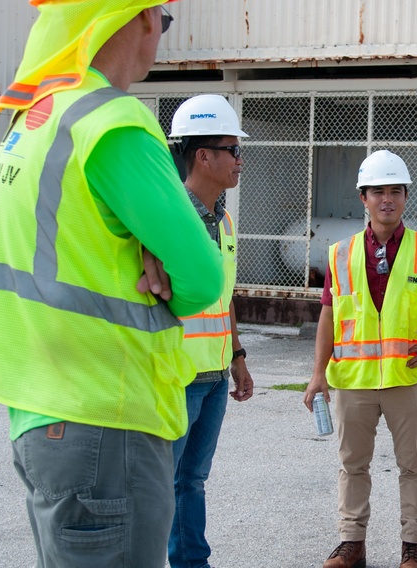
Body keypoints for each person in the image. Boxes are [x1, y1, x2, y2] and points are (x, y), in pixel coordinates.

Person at [0, 0, 224, 568]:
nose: (161, 32)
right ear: (137, 19)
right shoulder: (115, 124)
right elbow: (203, 276)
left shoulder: (37, 120)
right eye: (162, 17)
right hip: (108, 417)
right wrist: (163, 268)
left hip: (43, 416)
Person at [303, 150, 417, 568]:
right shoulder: (340, 254)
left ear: (406, 197)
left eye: (395, 191)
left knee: (413, 465)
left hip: (406, 378)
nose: (386, 199)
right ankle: (351, 543)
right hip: (352, 381)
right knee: (352, 465)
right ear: (363, 198)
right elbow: (328, 314)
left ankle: (414, 548)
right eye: (378, 191)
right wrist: (317, 374)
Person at [167, 95, 255, 568]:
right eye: (233, 149)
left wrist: (237, 357)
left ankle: (191, 563)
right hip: (176, 376)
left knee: (192, 481)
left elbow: (224, 298)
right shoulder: (169, 216)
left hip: (215, 375)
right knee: (161, 482)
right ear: (203, 155)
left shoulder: (222, 218)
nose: (241, 160)